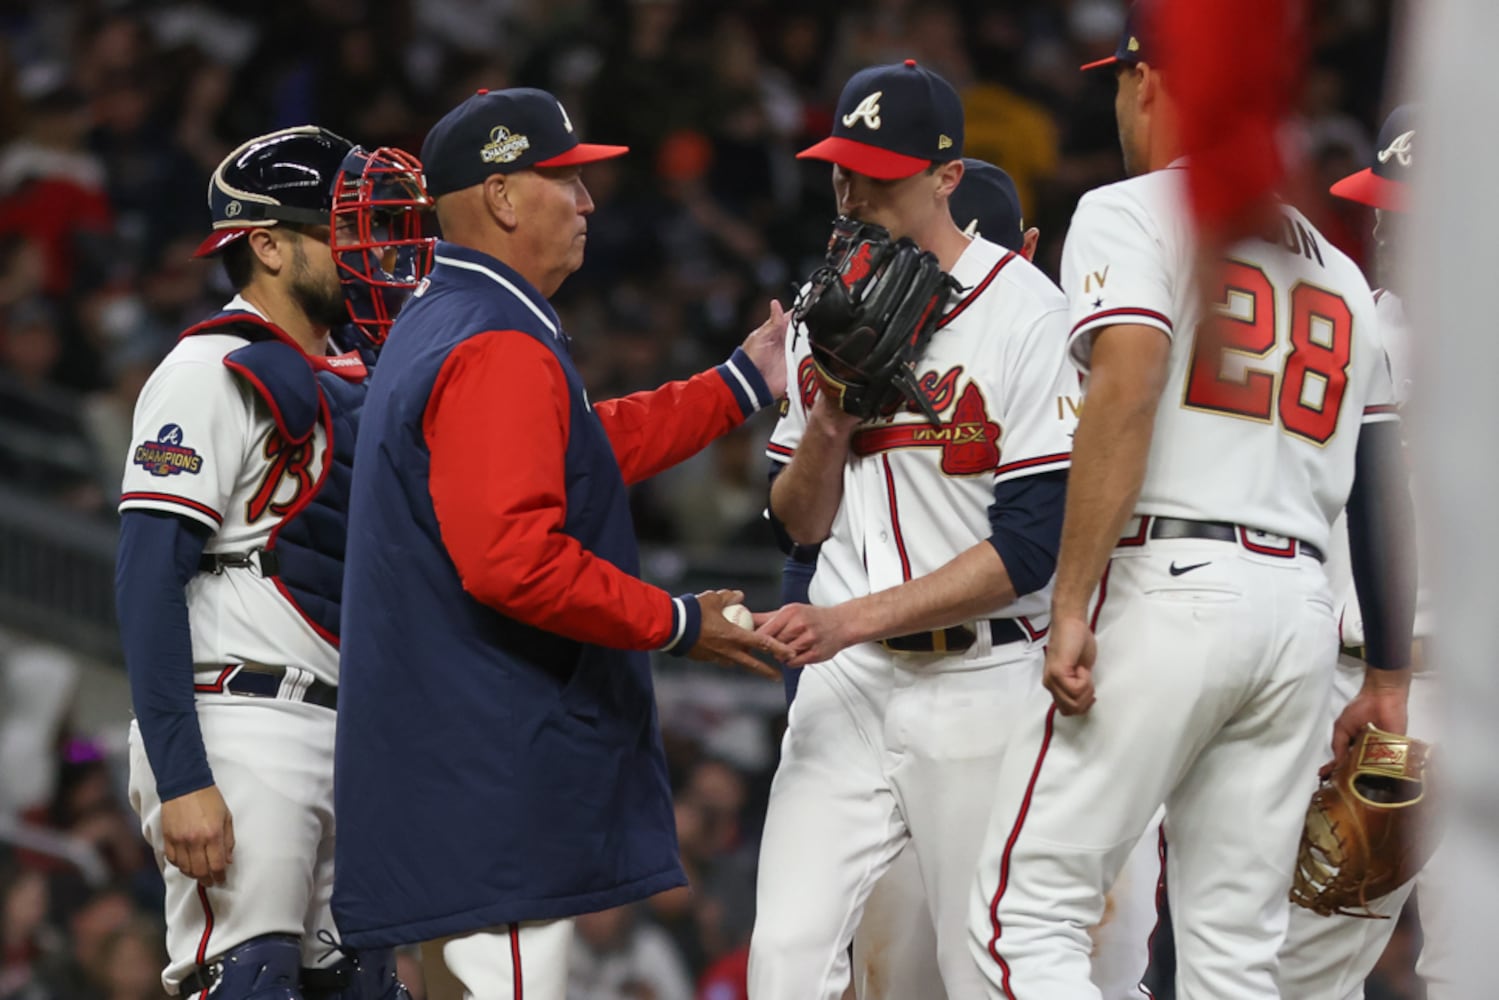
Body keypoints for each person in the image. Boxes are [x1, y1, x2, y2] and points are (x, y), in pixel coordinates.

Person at [968, 18, 1417, 1000]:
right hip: (1298, 619)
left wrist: (1074, 600)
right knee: (1233, 958)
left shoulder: (1128, 210)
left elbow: (1125, 384)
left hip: (1169, 580)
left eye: (1120, 82)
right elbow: (1382, 483)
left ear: (1147, 81)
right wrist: (1383, 676)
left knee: (1020, 915)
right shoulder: (1341, 272)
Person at [329, 87, 794, 1000]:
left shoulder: (448, 315)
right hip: (486, 765)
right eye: (565, 181)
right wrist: (674, 621)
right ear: (502, 198)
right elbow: (511, 557)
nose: (587, 203)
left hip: (447, 758)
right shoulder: (494, 340)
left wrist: (738, 383)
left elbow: (571, 448)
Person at [747, 62, 1154, 999]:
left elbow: (1028, 549)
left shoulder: (1027, 313)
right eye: (840, 169)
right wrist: (831, 420)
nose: (852, 193)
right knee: (782, 967)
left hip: (979, 680)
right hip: (844, 692)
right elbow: (793, 526)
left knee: (984, 971)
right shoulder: (823, 306)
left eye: (877, 175)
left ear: (945, 177)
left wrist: (848, 620)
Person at [115, 126, 434, 999]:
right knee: (250, 978)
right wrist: (182, 778)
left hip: (349, 734)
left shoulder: (363, 377)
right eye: (344, 227)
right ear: (266, 245)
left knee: (366, 986)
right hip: (241, 717)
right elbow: (147, 576)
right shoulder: (207, 369)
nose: (371, 250)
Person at [1277, 104, 1454, 1000]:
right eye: (1381, 206)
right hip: (1352, 690)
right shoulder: (1342, 331)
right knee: (1301, 967)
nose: (1385, 224)